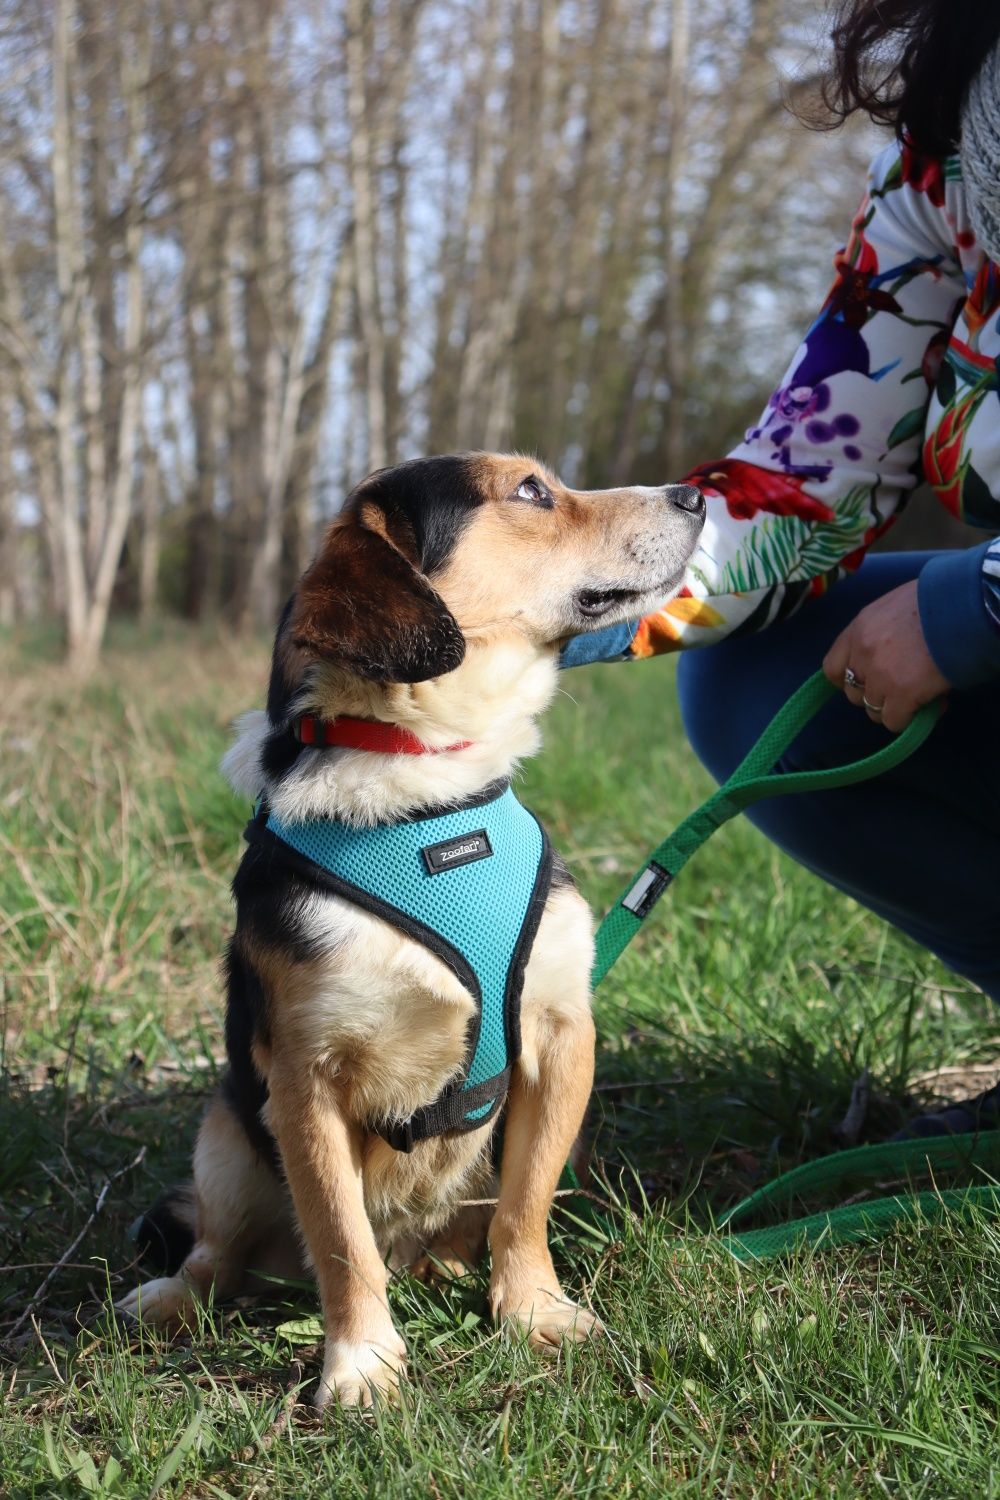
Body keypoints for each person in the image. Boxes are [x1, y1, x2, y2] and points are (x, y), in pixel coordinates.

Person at [563, 0, 1000, 1135]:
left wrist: (971, 611)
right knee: (760, 686)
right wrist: (566, 601)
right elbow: (808, 473)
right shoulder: (944, 168)